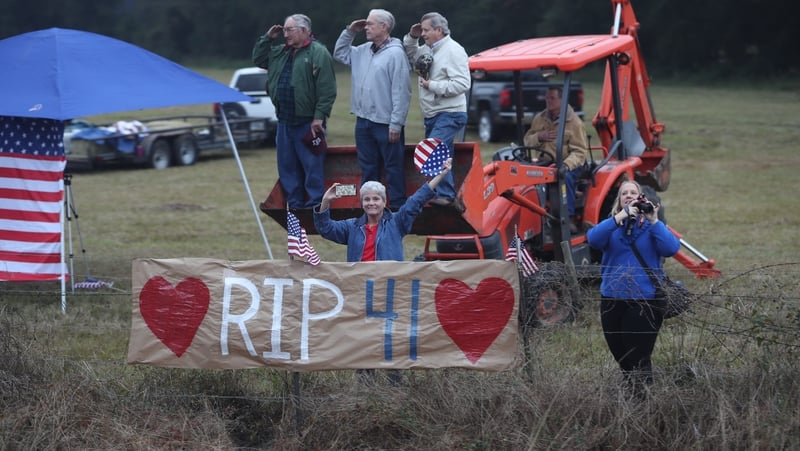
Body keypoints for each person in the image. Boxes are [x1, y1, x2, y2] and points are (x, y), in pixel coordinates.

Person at [586, 180, 680, 398]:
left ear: (642, 198)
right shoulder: (612, 226)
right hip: (611, 298)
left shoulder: (652, 228)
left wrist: (654, 220)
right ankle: (631, 395)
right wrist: (619, 217)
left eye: (633, 192)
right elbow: (593, 239)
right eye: (624, 193)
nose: (628, 195)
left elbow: (671, 248)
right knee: (620, 354)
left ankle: (644, 398)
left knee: (639, 356)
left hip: (644, 301)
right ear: (619, 201)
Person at [252, 14, 337, 210]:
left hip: (308, 122)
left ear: (304, 31)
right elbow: (259, 59)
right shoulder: (280, 52)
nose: (285, 34)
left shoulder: (318, 52)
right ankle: (295, 205)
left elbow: (327, 89)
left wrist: (319, 117)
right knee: (287, 166)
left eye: (289, 30)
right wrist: (267, 38)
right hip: (284, 121)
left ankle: (315, 205)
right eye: (284, 30)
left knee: (311, 165)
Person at [334, 9, 412, 209]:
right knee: (368, 167)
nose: (366, 27)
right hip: (363, 120)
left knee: (393, 167)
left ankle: (397, 208)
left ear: (384, 27)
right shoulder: (363, 50)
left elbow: (401, 91)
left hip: (386, 123)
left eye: (370, 24)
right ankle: (369, 208)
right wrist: (349, 31)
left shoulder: (396, 53)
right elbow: (340, 53)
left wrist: (396, 122)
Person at [314, 158, 452, 262]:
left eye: (376, 199)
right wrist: (325, 200)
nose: (371, 203)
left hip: (388, 286)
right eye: (367, 199)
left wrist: (441, 174)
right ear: (362, 203)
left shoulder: (397, 222)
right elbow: (325, 229)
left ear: (384, 202)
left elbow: (416, 201)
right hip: (357, 286)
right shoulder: (352, 226)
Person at [403, 12, 470, 207]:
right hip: (432, 114)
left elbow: (463, 84)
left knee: (433, 150)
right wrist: (412, 37)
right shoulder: (426, 49)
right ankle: (449, 198)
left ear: (439, 30)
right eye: (422, 30)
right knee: (442, 152)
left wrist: (433, 86)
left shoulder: (454, 50)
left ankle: (446, 195)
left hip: (451, 112)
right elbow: (409, 53)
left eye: (426, 30)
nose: (423, 33)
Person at [523, 87, 588, 233]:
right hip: (545, 161)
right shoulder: (539, 118)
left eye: (552, 98)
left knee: (565, 178)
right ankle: (536, 218)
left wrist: (565, 165)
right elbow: (527, 141)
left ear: (561, 100)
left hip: (569, 163)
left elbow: (579, 152)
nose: (548, 101)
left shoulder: (575, 123)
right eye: (547, 98)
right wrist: (539, 137)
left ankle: (568, 217)